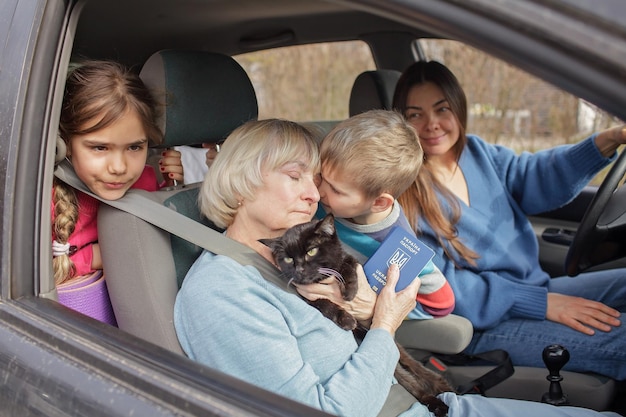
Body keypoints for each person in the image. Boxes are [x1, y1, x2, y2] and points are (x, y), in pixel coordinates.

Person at [174, 118, 620, 417]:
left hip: (423, 400)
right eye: (297, 177)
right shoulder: (223, 291)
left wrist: (372, 310)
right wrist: (384, 327)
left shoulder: (295, 254)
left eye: (317, 181)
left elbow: (396, 305)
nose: (314, 195)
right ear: (243, 179)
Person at [392, 60, 626, 380]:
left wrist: (604, 141)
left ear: (458, 110)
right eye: (415, 114)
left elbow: (536, 175)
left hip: (534, 289)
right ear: (402, 122)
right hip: (485, 325)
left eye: (441, 109)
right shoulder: (404, 195)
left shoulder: (478, 153)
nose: (432, 124)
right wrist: (539, 304)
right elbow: (447, 289)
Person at [305, 109, 454, 319]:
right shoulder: (316, 202)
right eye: (321, 176)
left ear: (379, 202)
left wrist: (377, 309)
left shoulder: (399, 247)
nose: (318, 192)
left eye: (336, 190)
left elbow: (441, 304)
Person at [52, 60, 184, 287]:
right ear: (66, 143)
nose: (119, 167)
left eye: (134, 147)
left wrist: (174, 187)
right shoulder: (44, 203)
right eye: (100, 148)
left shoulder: (145, 181)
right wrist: (95, 256)